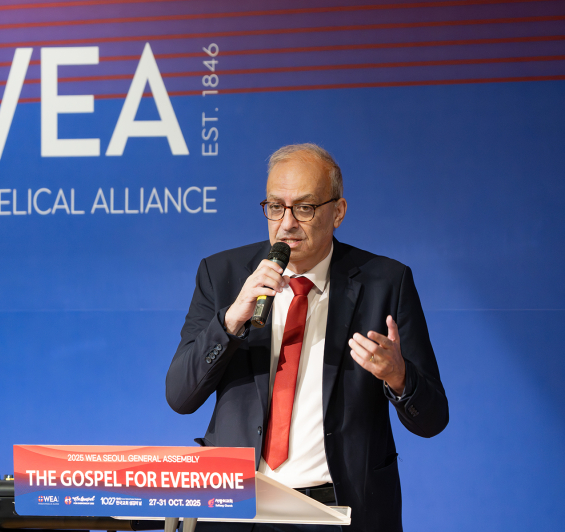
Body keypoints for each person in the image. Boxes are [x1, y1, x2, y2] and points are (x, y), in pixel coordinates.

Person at [165, 144, 448, 532]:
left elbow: (433, 418)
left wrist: (399, 377)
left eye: (305, 207)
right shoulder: (223, 274)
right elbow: (180, 396)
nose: (286, 223)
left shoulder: (386, 283)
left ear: (338, 212)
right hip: (235, 508)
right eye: (275, 207)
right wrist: (231, 320)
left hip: (337, 511)